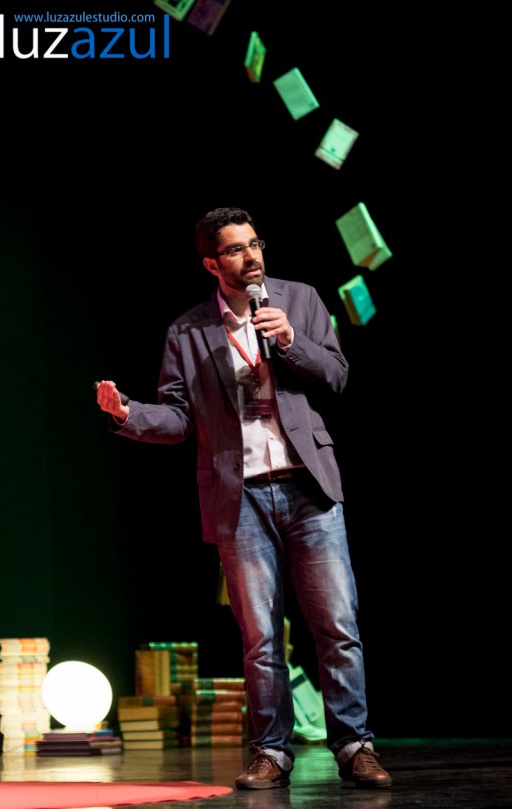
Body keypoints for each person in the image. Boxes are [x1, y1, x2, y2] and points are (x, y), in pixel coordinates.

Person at [95, 206, 392, 790]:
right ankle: (271, 752)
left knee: (337, 624)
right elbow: (179, 415)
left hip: (310, 486)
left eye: (255, 244)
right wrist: (129, 415)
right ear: (212, 262)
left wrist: (290, 341)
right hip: (241, 497)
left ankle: (355, 745)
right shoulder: (188, 330)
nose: (251, 256)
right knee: (259, 637)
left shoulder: (300, 300)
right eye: (235, 249)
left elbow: (336, 375)